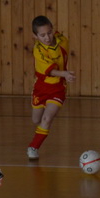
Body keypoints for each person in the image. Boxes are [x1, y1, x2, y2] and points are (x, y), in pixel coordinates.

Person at [26, 15, 75, 160]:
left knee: (46, 119)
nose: (47, 37)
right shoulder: (38, 50)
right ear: (35, 36)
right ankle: (43, 124)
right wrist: (65, 73)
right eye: (42, 35)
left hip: (58, 88)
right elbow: (51, 71)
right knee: (36, 120)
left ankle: (33, 147)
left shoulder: (62, 41)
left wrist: (64, 76)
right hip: (41, 88)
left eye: (49, 33)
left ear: (53, 30)